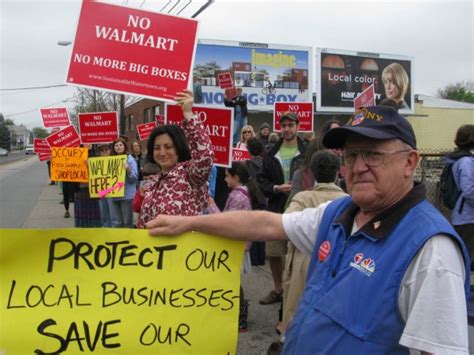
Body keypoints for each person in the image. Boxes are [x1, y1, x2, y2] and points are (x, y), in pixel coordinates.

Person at [147, 105, 470, 355]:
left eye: (373, 154)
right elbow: (264, 222)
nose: (358, 167)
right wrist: (189, 223)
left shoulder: (430, 249)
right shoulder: (339, 212)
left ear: (410, 162)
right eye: (353, 154)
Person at [281, 150, 347, 339]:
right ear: (338, 173)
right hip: (337, 264)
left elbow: (287, 223)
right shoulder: (348, 201)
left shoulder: (303, 198)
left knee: (298, 315)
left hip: (303, 263)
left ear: (313, 172)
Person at [136, 90, 214, 228]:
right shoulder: (153, 183)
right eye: (157, 147)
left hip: (185, 248)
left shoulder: (191, 176)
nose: (162, 152)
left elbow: (205, 157)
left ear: (178, 147)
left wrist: (189, 114)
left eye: (168, 147)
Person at [208, 161, 266, 332]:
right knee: (232, 281)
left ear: (236, 177)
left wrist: (210, 204)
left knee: (233, 282)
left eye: (227, 176)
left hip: (236, 245)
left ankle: (240, 316)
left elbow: (226, 223)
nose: (225, 180)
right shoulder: (239, 193)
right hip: (238, 244)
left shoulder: (238, 197)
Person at [257, 112, 306, 305]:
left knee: (298, 253)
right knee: (275, 252)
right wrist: (276, 188)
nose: (287, 129)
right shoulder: (271, 153)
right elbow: (261, 179)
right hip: (277, 207)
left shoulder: (307, 151)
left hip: (301, 208)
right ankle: (278, 289)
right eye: (283, 125)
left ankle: (295, 290)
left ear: (297, 126)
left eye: (290, 125)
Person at [448, 124, 474, 268]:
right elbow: (469, 190)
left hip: (465, 216)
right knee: (466, 258)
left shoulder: (463, 159)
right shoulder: (466, 161)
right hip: (467, 217)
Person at [110, 137, 138, 228]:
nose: (118, 147)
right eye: (116, 145)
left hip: (127, 195)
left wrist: (128, 170)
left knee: (127, 222)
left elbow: (134, 178)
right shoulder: (110, 160)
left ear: (124, 147)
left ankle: (129, 240)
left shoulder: (130, 159)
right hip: (114, 195)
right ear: (113, 148)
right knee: (117, 223)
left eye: (121, 145)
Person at [97, 143, 114, 227]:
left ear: (110, 150)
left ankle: (113, 233)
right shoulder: (96, 162)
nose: (104, 151)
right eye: (101, 150)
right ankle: (106, 230)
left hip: (112, 191)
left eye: (106, 149)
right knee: (104, 214)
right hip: (102, 191)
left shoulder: (115, 160)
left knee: (113, 215)